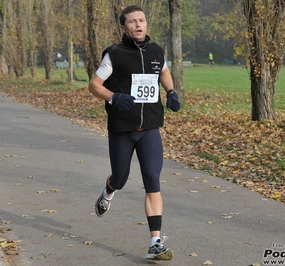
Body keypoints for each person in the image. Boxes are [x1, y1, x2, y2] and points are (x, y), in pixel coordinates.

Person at [88, 5, 179, 261]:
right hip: (122, 129)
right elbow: (94, 85)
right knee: (121, 177)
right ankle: (109, 190)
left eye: (142, 20)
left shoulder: (156, 51)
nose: (138, 25)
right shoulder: (114, 55)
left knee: (153, 179)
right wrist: (114, 97)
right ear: (123, 27)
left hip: (149, 127)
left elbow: (163, 71)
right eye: (132, 22)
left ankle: (155, 242)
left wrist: (171, 92)